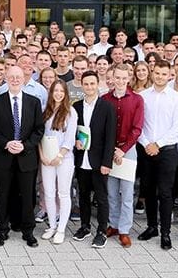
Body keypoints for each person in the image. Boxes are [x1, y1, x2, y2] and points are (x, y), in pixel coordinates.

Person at [0, 66, 45, 248]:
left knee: (27, 197)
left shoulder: (33, 102)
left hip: (26, 157)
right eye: (11, 77)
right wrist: (6, 143)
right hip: (4, 157)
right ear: (6, 78)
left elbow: (39, 129)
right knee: (3, 196)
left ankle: (28, 232)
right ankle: (2, 231)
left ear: (24, 78)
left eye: (18, 76)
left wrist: (24, 145)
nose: (15, 79)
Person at [137, 60, 178, 251]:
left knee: (165, 193)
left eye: (164, 74)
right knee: (148, 189)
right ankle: (152, 227)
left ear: (169, 75)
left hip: (167, 151)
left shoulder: (177, 99)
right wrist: (147, 143)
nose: (160, 77)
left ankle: (165, 233)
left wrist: (158, 144)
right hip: (146, 149)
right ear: (152, 73)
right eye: (157, 73)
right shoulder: (142, 96)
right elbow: (138, 124)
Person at [71, 71, 117, 248]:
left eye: (92, 84)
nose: (89, 87)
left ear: (98, 84)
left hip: (99, 160)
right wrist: (75, 141)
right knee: (83, 195)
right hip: (82, 158)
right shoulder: (76, 107)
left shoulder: (107, 107)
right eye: (86, 84)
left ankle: (102, 231)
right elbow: (73, 131)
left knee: (101, 196)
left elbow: (110, 137)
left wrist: (107, 163)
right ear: (82, 85)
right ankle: (85, 226)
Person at [103, 63, 144, 248]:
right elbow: (102, 128)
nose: (120, 81)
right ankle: (113, 224)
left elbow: (137, 129)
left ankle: (125, 230)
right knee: (111, 192)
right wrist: (112, 150)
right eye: (117, 77)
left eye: (123, 78)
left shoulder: (137, 100)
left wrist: (123, 150)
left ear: (129, 78)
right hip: (109, 151)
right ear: (112, 78)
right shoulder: (104, 99)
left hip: (128, 150)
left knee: (127, 193)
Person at [38, 80, 77, 245]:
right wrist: (42, 156)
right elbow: (39, 135)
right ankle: (52, 226)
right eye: (56, 91)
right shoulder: (45, 111)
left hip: (63, 159)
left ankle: (61, 229)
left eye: (62, 91)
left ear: (65, 93)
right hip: (46, 159)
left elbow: (69, 139)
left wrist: (59, 156)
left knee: (63, 193)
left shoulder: (70, 112)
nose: (58, 94)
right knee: (48, 192)